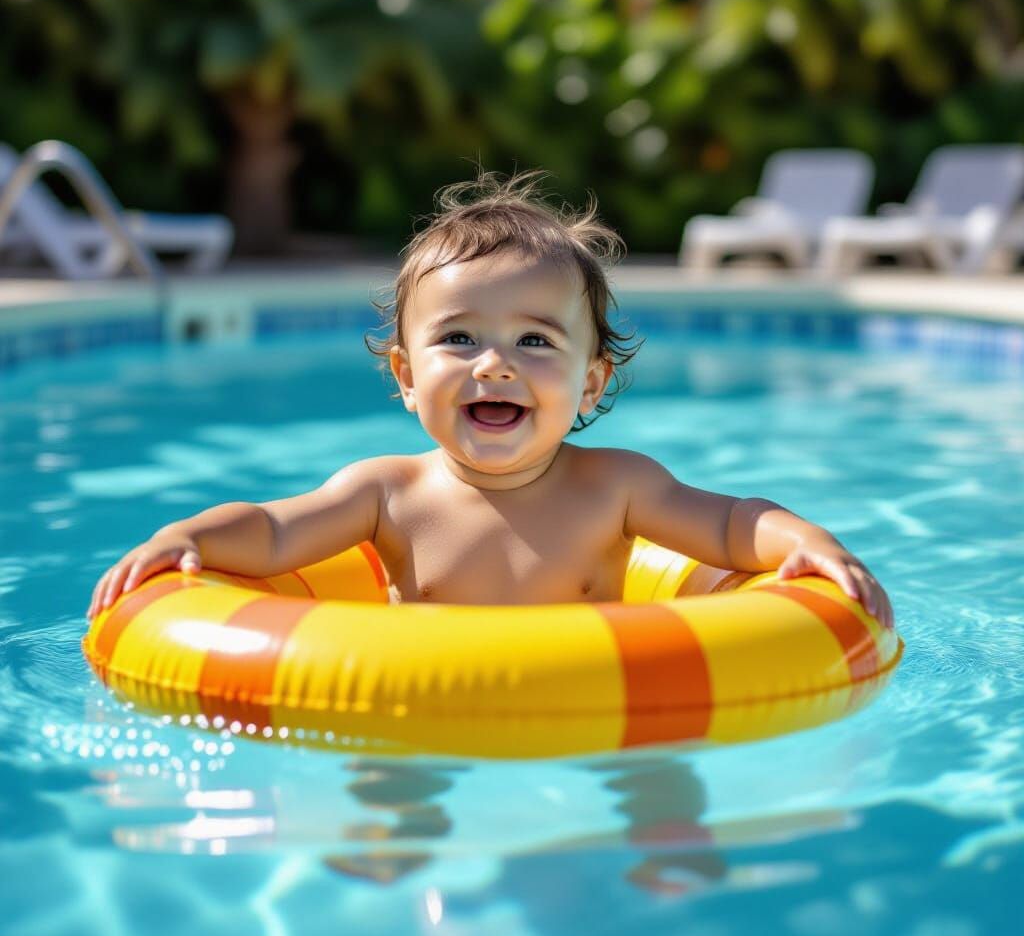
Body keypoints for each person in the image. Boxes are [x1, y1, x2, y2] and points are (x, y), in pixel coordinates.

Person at [88, 172, 893, 628]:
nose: (496, 366)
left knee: (660, 799)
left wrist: (810, 543)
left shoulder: (617, 488)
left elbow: (727, 523)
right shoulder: (384, 496)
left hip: (594, 708)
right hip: (422, 708)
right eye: (460, 340)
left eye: (535, 341)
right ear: (406, 376)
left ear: (590, 384)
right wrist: (183, 536)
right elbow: (268, 532)